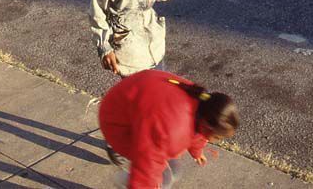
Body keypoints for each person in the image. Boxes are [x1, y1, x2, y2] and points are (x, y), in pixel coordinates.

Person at [99, 69, 239, 188]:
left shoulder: (201, 100)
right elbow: (147, 162)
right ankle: (124, 181)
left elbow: (198, 133)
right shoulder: (172, 131)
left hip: (131, 102)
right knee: (163, 180)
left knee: (173, 171)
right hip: (117, 122)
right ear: (207, 126)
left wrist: (196, 151)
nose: (218, 141)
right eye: (218, 137)